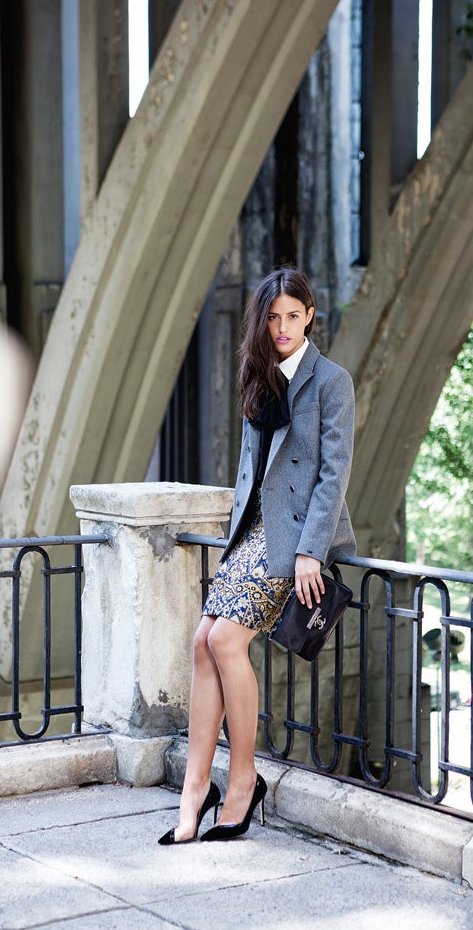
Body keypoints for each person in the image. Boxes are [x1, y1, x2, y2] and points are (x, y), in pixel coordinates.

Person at [158, 267, 356, 845]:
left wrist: (310, 553)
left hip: (294, 542)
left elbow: (331, 475)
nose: (282, 327)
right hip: (250, 535)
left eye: (293, 315)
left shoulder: (330, 381)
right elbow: (251, 468)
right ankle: (198, 787)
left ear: (311, 316)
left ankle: (241, 780)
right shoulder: (258, 373)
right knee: (202, 641)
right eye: (273, 317)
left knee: (223, 641)